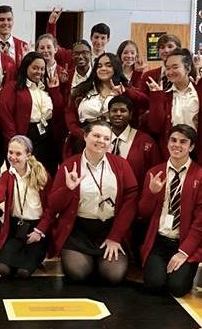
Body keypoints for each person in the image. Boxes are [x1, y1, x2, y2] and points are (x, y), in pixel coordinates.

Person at [43, 121, 138, 284]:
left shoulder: (121, 164)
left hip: (109, 229)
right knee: (78, 274)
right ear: (85, 136)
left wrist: (115, 236)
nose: (101, 141)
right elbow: (53, 205)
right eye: (96, 136)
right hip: (78, 230)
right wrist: (68, 189)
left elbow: (131, 200)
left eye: (106, 138)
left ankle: (100, 261)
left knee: (113, 276)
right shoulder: (70, 165)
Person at [138, 125, 202, 296]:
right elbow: (143, 213)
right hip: (159, 241)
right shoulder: (155, 173)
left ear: (191, 147)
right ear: (167, 143)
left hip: (185, 243)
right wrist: (151, 193)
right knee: (154, 285)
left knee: (177, 288)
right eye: (173, 140)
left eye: (183, 142)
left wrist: (183, 252)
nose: (177, 145)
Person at [0, 136, 51, 278]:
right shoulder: (7, 175)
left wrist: (40, 230)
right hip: (16, 229)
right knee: (4, 270)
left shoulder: (42, 175)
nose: (13, 157)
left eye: (18, 154)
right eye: (10, 152)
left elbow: (51, 208)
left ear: (28, 155)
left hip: (36, 229)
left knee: (23, 273)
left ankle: (38, 255)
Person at [0, 51, 66, 174]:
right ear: (26, 67)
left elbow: (59, 111)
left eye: (42, 69)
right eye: (35, 68)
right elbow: (5, 115)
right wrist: (15, 141)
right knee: (27, 173)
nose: (39, 72)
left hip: (47, 136)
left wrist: (54, 90)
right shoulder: (13, 87)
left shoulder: (46, 87)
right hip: (26, 135)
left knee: (47, 174)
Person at [138, 48, 202, 161]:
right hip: (171, 152)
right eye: (167, 68)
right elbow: (155, 127)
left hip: (197, 152)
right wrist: (156, 96)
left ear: (187, 68)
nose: (170, 72)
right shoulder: (164, 95)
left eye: (175, 67)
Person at [66, 53, 137, 155]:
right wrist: (79, 133)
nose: (103, 68)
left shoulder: (123, 89)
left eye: (108, 65)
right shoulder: (82, 90)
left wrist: (126, 92)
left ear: (116, 68)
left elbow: (144, 102)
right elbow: (70, 113)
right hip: (83, 139)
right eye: (99, 66)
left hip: (114, 139)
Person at [106, 95, 161, 188]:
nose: (118, 114)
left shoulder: (146, 141)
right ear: (108, 114)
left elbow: (155, 173)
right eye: (114, 110)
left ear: (130, 115)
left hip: (135, 194)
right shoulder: (98, 139)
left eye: (123, 111)